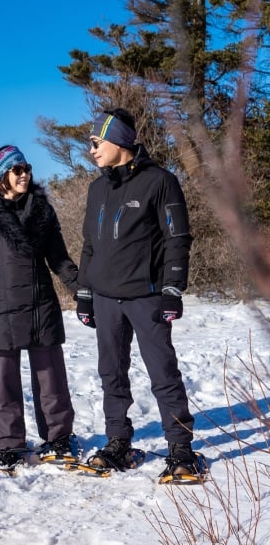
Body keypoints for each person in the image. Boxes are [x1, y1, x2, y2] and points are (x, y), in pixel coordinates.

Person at [76, 107, 198, 478]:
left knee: (163, 372)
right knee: (111, 373)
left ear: (119, 141)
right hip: (104, 298)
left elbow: (178, 238)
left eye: (97, 142)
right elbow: (88, 245)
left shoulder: (160, 182)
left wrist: (172, 288)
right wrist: (84, 292)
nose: (92, 149)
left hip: (146, 297)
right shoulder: (97, 188)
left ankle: (180, 448)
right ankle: (118, 442)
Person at [0, 144, 80, 471]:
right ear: (2, 177)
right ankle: (6, 445)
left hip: (41, 306)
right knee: (2, 384)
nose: (25, 174)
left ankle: (58, 438)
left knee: (51, 380)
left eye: (26, 168)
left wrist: (83, 291)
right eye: (17, 170)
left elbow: (60, 260)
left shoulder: (43, 211)